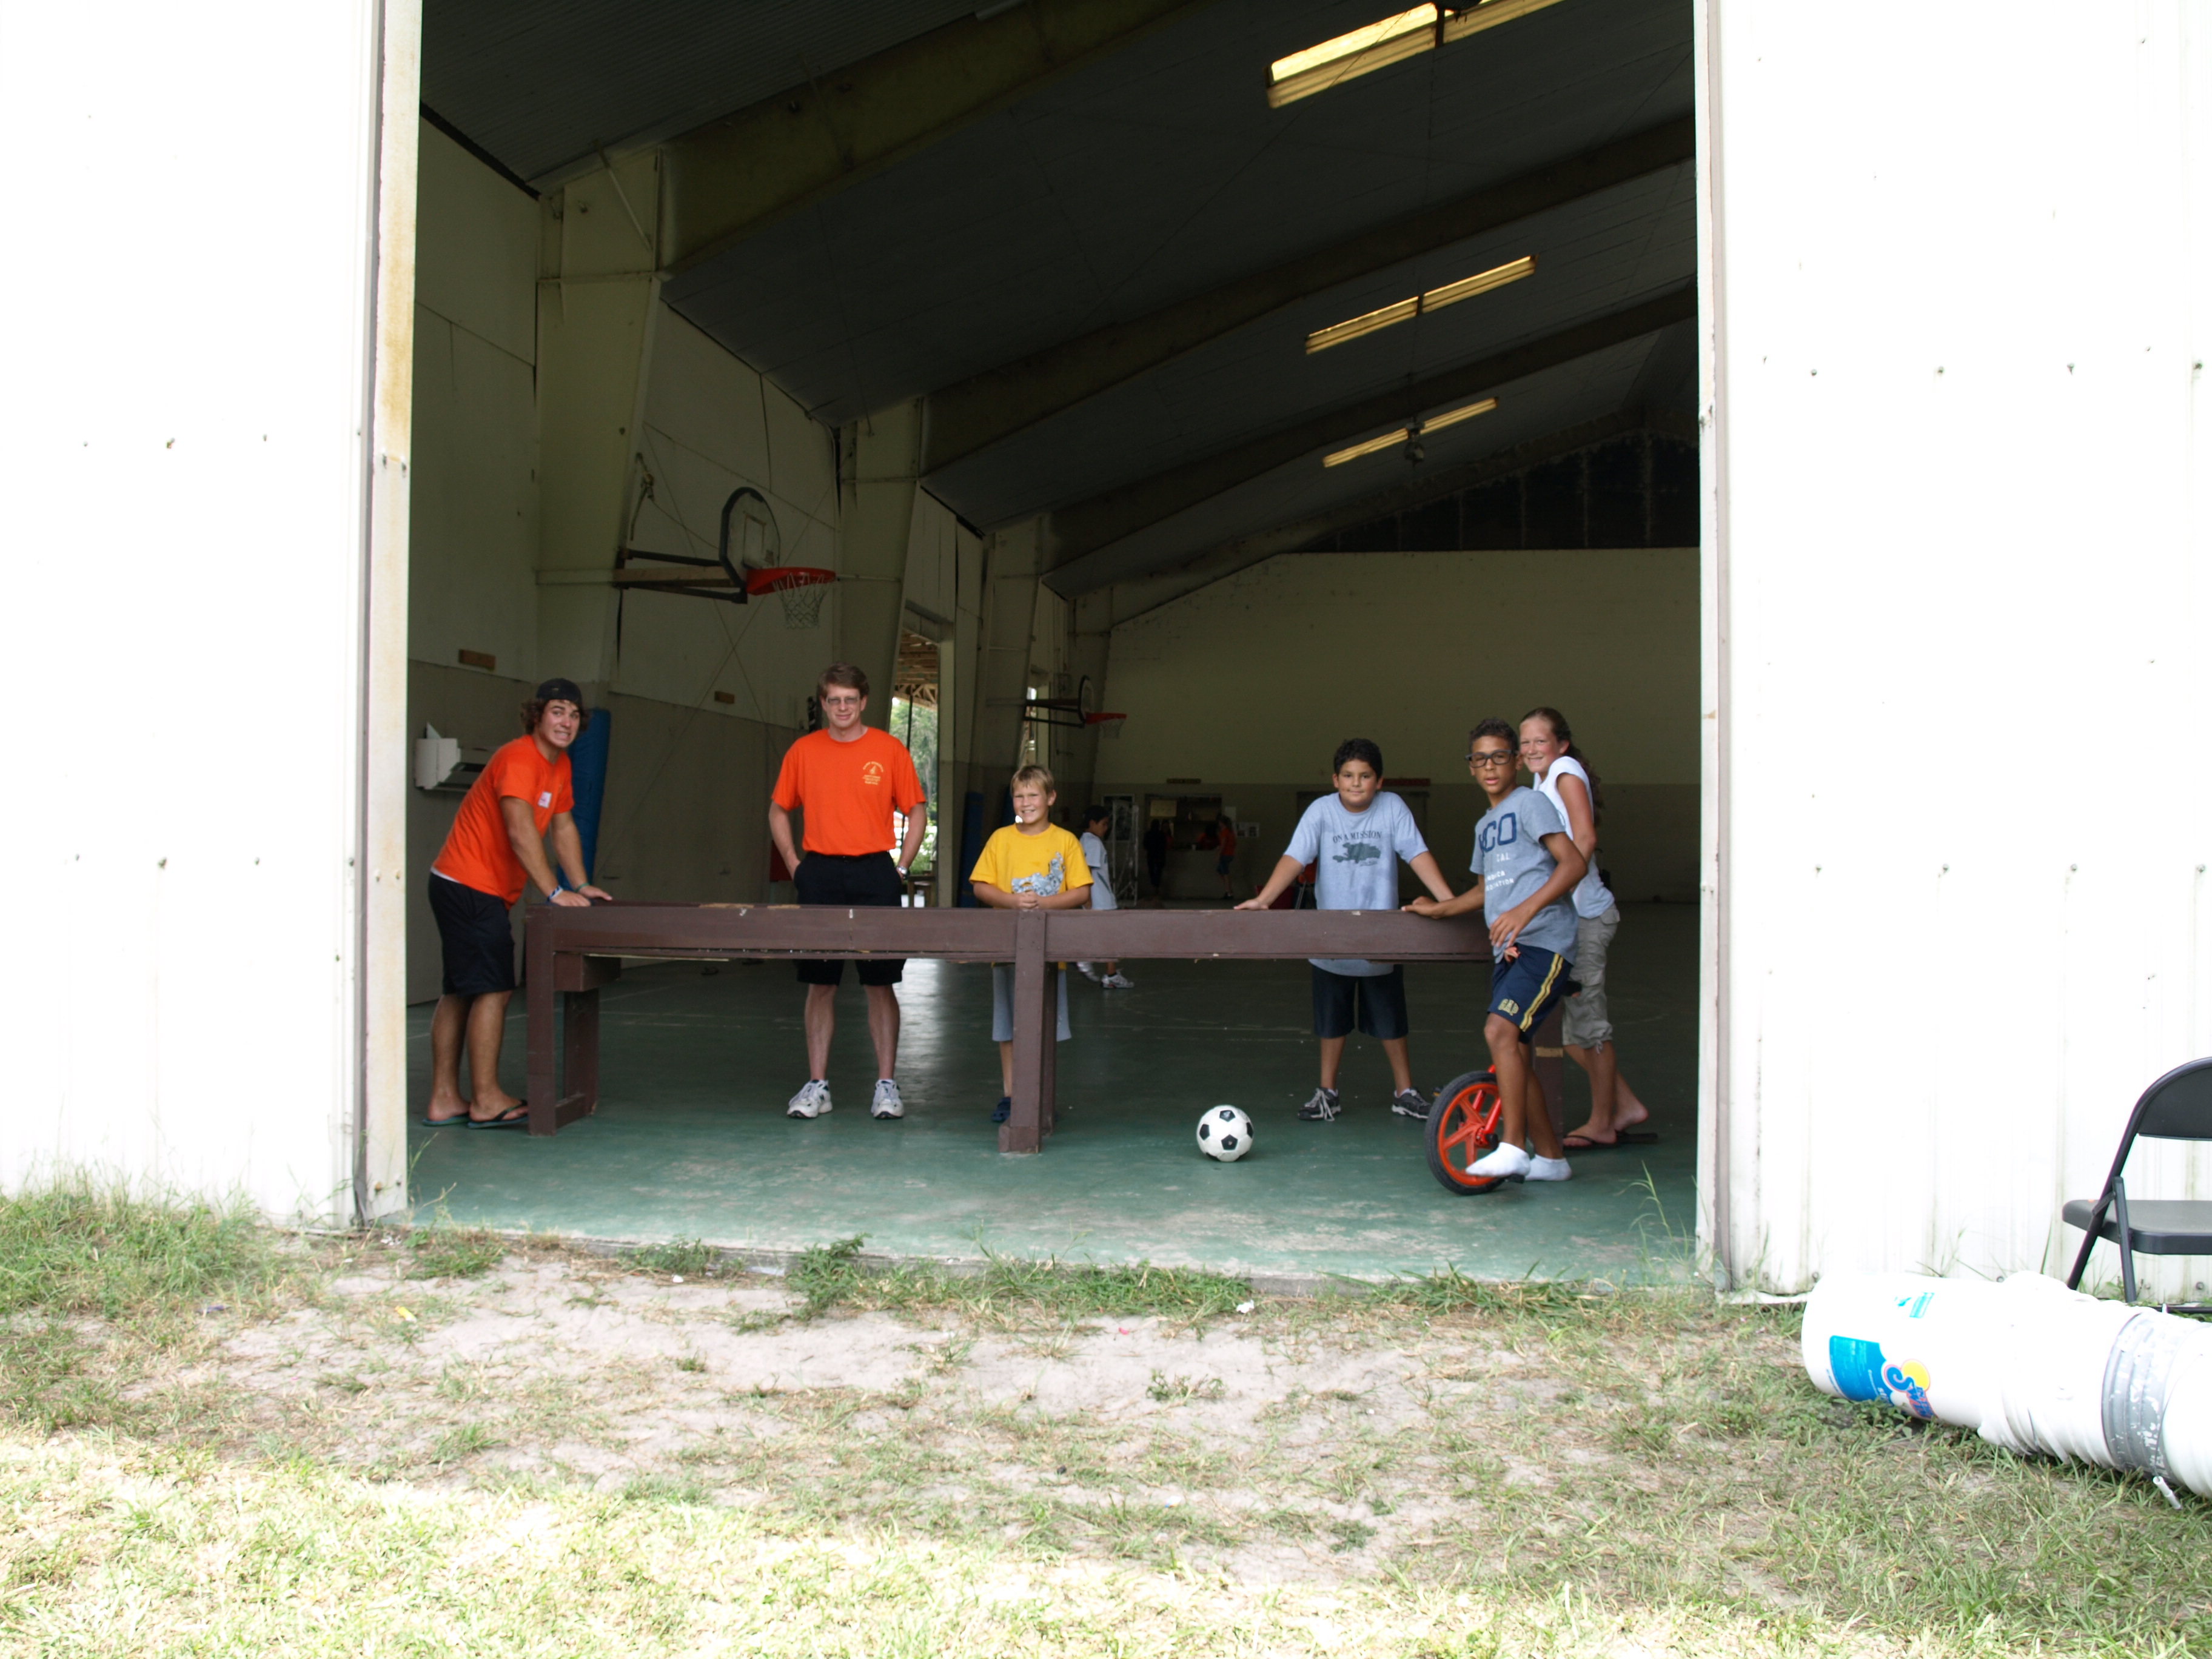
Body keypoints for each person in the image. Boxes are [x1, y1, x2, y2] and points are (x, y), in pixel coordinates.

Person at [423, 679, 612, 1128]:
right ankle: (486, 1100)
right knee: (494, 988)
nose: (567, 722)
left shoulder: (560, 765)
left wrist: (581, 884)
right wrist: (553, 892)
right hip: (468, 884)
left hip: (468, 886)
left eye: (574, 715)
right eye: (558, 711)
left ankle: (444, 1098)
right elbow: (520, 830)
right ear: (537, 715)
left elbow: (563, 827)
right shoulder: (519, 758)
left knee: (461, 990)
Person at [1407, 719, 1587, 1182]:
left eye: (1500, 757)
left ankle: (1512, 1146)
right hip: (1509, 951)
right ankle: (1552, 1159)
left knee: (1499, 1032)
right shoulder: (1484, 825)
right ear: (1471, 767)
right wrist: (1439, 909)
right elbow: (1486, 890)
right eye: (1480, 759)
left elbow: (1574, 865)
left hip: (1544, 942)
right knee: (1516, 1050)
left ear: (1518, 761)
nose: (1490, 767)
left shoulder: (1531, 804)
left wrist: (1525, 911)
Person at [1238, 740, 1455, 1122]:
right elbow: (1296, 856)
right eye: (1349, 776)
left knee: (1391, 1021)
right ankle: (1328, 1093)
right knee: (1331, 1022)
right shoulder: (1321, 811)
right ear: (1336, 780)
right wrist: (1265, 899)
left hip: (1381, 939)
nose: (1357, 783)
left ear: (1379, 781)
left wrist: (1449, 902)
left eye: (1365, 776)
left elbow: (1417, 853)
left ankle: (1404, 1092)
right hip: (1332, 938)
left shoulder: (1393, 808)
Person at [768, 663, 927, 1121]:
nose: (842, 707)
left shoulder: (889, 749)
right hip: (819, 872)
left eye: (850, 700)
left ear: (864, 702)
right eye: (834, 700)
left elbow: (916, 810)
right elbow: (778, 810)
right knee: (821, 983)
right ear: (823, 704)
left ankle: (886, 1086)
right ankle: (817, 1086)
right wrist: (795, 865)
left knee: (880, 983)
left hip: (875, 872)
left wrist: (900, 868)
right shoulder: (803, 751)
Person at [1520, 706, 1655, 1150]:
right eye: (1525, 742)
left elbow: (1586, 838)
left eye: (1541, 740)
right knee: (1565, 1028)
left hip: (1585, 917)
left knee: (1588, 1026)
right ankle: (1626, 1105)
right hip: (1565, 919)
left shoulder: (1564, 771)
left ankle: (1602, 1123)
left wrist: (1551, 893)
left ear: (1561, 744)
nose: (1531, 749)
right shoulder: (1539, 783)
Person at [968, 765, 1092, 1122]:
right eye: (1019, 796)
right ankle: (1011, 1095)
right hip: (1007, 952)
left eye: (1033, 795)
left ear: (1050, 798)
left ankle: (1039, 1093)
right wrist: (1011, 901)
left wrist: (1044, 904)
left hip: (1052, 954)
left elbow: (1082, 891)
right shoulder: (1000, 839)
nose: (1026, 803)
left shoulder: (1066, 841)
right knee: (1009, 1027)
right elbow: (980, 886)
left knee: (1044, 1025)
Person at [1074, 805, 1134, 989]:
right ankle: (1085, 958)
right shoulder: (1093, 843)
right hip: (1100, 899)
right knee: (1109, 936)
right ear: (1092, 823)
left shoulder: (1083, 841)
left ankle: (1111, 973)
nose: (1106, 828)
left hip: (1099, 899)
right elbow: (1086, 871)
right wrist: (1087, 899)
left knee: (1109, 936)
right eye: (1104, 824)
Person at [1215, 813, 1240, 900]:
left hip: (1225, 855)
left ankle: (1229, 892)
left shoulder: (1225, 832)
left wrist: (1219, 855)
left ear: (1222, 823)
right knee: (1220, 871)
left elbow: (1223, 845)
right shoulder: (1231, 832)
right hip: (1230, 854)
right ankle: (1228, 889)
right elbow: (1235, 843)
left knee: (1225, 874)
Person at [1142, 816, 1169, 896]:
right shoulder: (1162, 834)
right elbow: (1164, 845)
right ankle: (1156, 887)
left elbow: (1145, 845)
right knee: (1158, 873)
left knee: (1152, 872)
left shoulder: (1148, 834)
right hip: (1159, 856)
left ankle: (1154, 887)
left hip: (1151, 856)